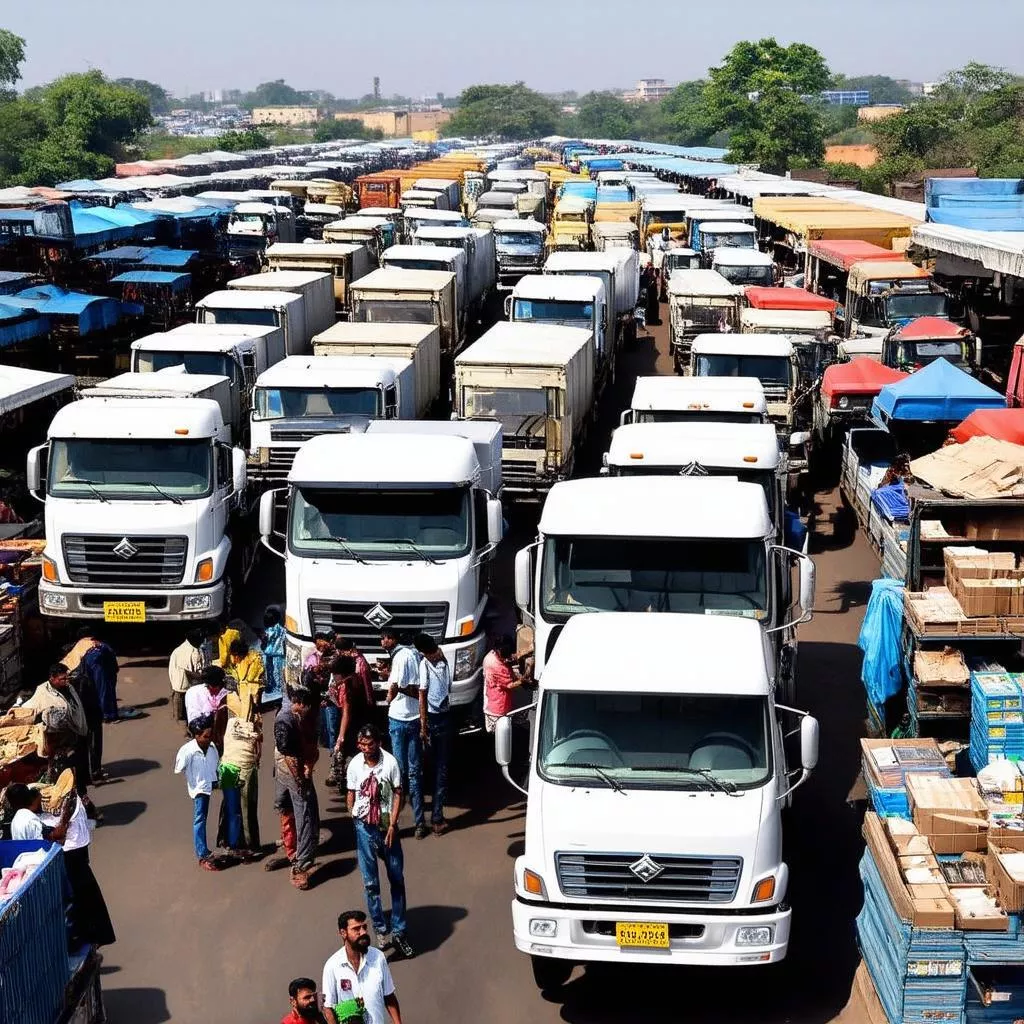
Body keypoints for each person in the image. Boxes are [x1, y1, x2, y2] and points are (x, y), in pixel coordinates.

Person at [6, 783, 116, 946]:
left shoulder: (17, 820)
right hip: (42, 868)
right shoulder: (28, 818)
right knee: (76, 897)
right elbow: (53, 837)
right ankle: (84, 937)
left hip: (32, 867)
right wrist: (65, 818)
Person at [346, 724, 413, 959]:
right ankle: (380, 929)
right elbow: (351, 792)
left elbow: (398, 793)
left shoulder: (391, 763)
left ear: (378, 743)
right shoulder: (355, 765)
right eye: (361, 745)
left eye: (369, 744)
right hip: (364, 828)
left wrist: (393, 824)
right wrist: (353, 816)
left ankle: (400, 931)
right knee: (371, 884)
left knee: (396, 879)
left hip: (387, 828)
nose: (365, 748)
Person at [23, 663, 95, 814]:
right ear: (52, 678)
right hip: (58, 746)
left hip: (76, 737)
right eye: (62, 679)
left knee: (80, 774)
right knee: (65, 780)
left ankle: (82, 807)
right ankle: (78, 811)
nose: (65, 681)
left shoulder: (68, 687)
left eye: (66, 678)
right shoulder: (43, 692)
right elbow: (29, 709)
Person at [266, 687, 319, 890]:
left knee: (286, 807)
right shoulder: (286, 720)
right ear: (301, 704)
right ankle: (301, 862)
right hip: (288, 766)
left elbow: (310, 746)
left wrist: (308, 766)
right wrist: (300, 779)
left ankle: (294, 851)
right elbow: (288, 754)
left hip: (288, 766)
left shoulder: (298, 717)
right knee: (305, 812)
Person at [380, 627, 426, 839]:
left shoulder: (399, 657)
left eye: (385, 638)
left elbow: (396, 685)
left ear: (395, 639)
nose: (383, 642)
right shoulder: (417, 655)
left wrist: (388, 700)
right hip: (416, 718)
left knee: (397, 773)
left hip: (399, 718)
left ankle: (392, 823)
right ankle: (420, 823)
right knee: (416, 772)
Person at [322, 910, 403, 1024]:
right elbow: (328, 1008)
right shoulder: (332, 966)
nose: (363, 932)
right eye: (356, 929)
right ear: (343, 933)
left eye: (364, 927)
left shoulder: (378, 957)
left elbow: (389, 996)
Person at [217, 682, 262, 860]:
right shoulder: (251, 725)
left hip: (227, 767)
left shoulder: (228, 721)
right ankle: (248, 845)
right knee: (246, 809)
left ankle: (228, 842)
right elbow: (257, 745)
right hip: (244, 769)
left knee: (231, 808)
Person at [414, 633, 452, 836]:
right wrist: (423, 725)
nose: (433, 655)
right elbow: (422, 695)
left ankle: (437, 817)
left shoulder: (441, 656)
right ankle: (431, 818)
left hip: (445, 716)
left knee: (442, 769)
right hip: (433, 719)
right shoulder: (424, 664)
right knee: (433, 769)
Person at [173, 715, 221, 871]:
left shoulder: (212, 747)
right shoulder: (188, 751)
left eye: (210, 735)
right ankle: (202, 854)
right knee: (200, 819)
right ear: (196, 735)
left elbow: (216, 763)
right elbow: (179, 768)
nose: (208, 739)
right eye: (205, 736)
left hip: (211, 784)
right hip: (199, 788)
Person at [331, 654, 372, 786]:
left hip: (350, 728)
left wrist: (341, 736)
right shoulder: (357, 679)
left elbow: (346, 713)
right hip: (361, 722)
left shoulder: (346, 687)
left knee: (349, 756)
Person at [168, 629, 209, 724]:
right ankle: (181, 722)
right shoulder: (184, 651)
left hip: (189, 680)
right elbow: (189, 672)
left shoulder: (194, 647)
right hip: (182, 680)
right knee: (181, 700)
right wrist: (203, 678)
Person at [483, 635, 522, 733]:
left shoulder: (491, 655)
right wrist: (524, 680)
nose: (506, 659)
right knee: (502, 736)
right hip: (498, 711)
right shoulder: (495, 666)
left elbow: (509, 659)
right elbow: (510, 685)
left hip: (493, 703)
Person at [335, 635, 376, 708]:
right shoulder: (344, 659)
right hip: (345, 696)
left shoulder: (358, 661)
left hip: (354, 696)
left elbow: (365, 680)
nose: (338, 652)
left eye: (339, 650)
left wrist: (369, 698)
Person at [225, 637, 266, 711]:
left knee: (254, 712)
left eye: (235, 655)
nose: (235, 658)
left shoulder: (254, 659)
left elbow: (250, 678)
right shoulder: (241, 660)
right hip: (245, 691)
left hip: (254, 690)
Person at [262, 607, 286, 706]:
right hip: (278, 654)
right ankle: (279, 689)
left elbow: (265, 641)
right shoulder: (281, 629)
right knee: (278, 672)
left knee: (270, 671)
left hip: (269, 653)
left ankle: (272, 688)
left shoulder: (268, 630)